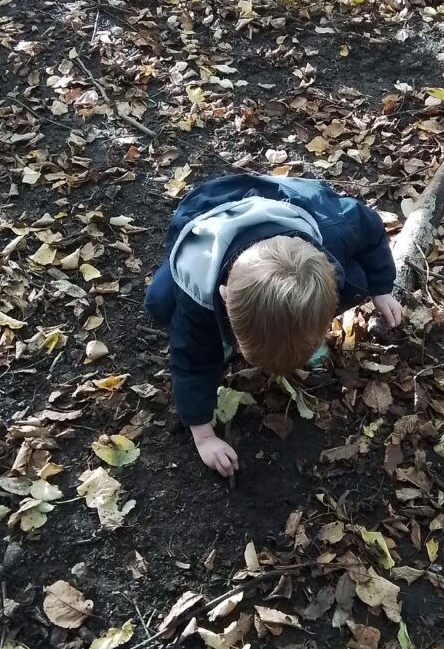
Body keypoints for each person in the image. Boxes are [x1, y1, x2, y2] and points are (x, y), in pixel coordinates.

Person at [145, 174, 401, 477]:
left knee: (359, 278)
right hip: (207, 212)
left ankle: (302, 324)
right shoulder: (197, 288)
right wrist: (203, 436)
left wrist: (382, 286)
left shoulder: (336, 230)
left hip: (293, 199)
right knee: (160, 301)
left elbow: (369, 224)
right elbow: (191, 362)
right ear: (224, 299)